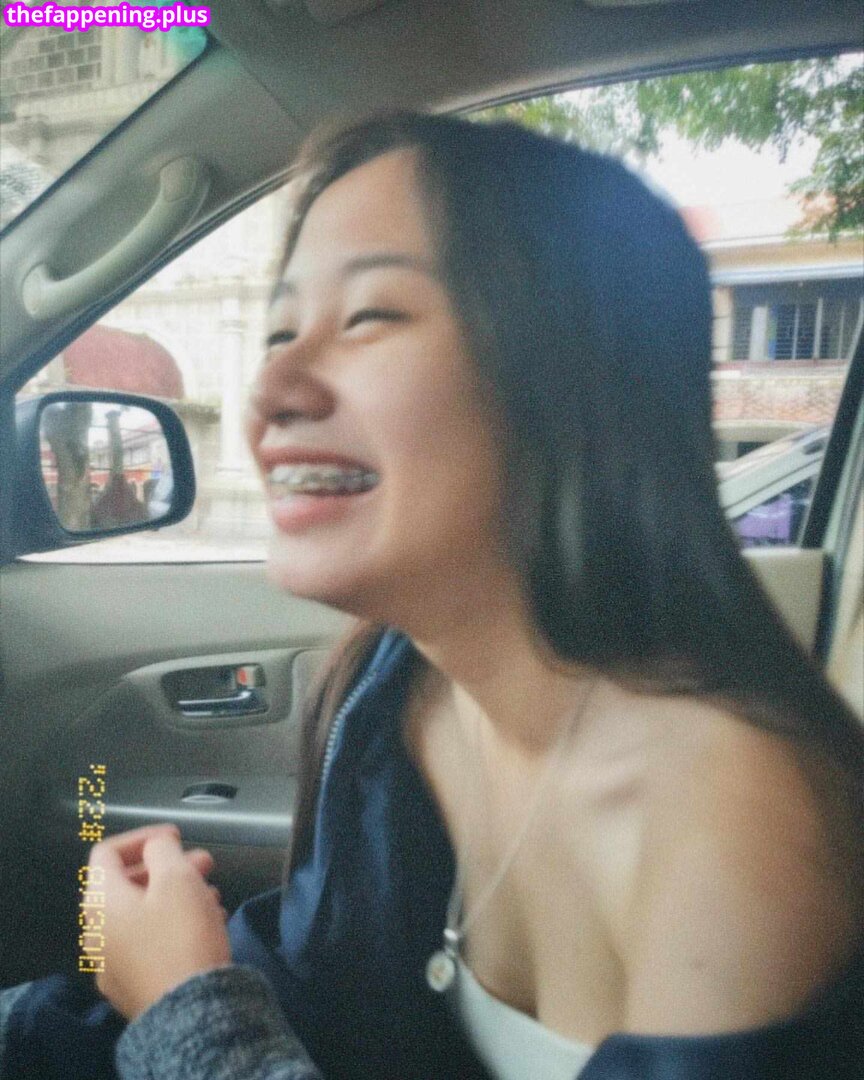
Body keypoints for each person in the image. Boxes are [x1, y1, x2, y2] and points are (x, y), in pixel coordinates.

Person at [2, 111, 863, 1080]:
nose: (271, 389)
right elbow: (314, 984)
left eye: (369, 317)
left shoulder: (740, 827)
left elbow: (226, 1014)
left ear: (574, 372)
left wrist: (180, 1002)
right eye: (281, 330)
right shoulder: (404, 689)